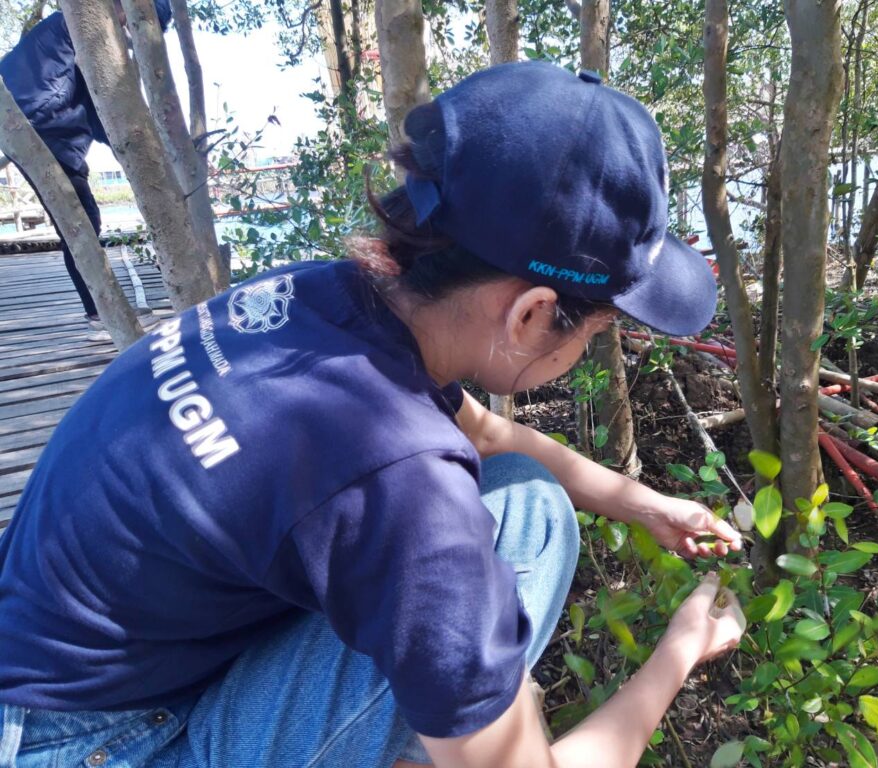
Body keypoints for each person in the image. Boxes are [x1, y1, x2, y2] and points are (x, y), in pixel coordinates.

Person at [0, 61, 746, 768]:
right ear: (531, 315)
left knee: (525, 497)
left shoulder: (322, 299)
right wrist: (678, 653)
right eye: (596, 329)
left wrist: (642, 503)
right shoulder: (406, 486)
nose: (589, 346)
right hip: (93, 745)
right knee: (518, 540)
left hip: (49, 660)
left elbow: (485, 434)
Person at [0, 0, 170, 332]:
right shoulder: (84, 29)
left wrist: (130, 145)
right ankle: (101, 315)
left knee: (82, 221)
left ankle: (99, 313)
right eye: (133, 27)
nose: (130, 38)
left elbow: (95, 111)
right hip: (41, 131)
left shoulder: (68, 27)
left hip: (40, 129)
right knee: (80, 224)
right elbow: (99, 103)